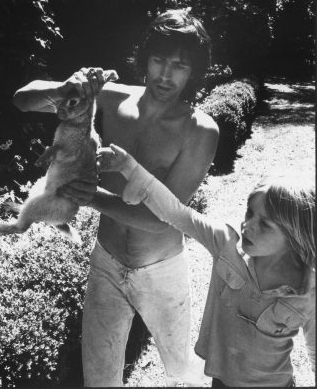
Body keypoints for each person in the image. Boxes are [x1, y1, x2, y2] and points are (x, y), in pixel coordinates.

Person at [13, 8, 219, 387]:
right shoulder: (111, 97)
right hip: (106, 263)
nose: (165, 74)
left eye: (179, 65)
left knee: (181, 371)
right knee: (100, 380)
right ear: (145, 58)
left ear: (194, 72)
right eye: (158, 59)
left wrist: (92, 197)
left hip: (162, 269)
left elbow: (165, 218)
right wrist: (64, 90)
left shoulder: (200, 130)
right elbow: (23, 99)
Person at [89, 143, 315, 387]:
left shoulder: (309, 291)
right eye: (249, 213)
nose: (247, 226)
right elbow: (177, 213)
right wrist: (130, 168)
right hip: (222, 382)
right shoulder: (225, 243)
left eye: (265, 225)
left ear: (295, 236)